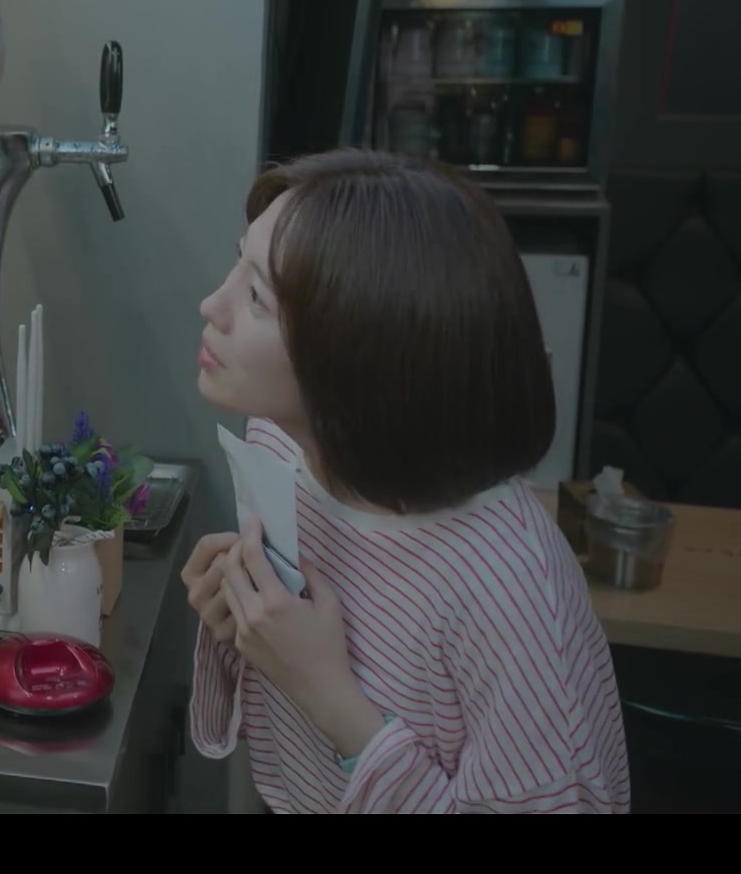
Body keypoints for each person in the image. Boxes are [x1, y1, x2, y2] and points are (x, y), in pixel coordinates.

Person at [181, 148, 630, 814]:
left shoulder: (510, 593)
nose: (211, 305)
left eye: (255, 298)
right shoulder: (276, 439)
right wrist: (244, 621)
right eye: (237, 264)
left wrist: (328, 695)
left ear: (358, 354)